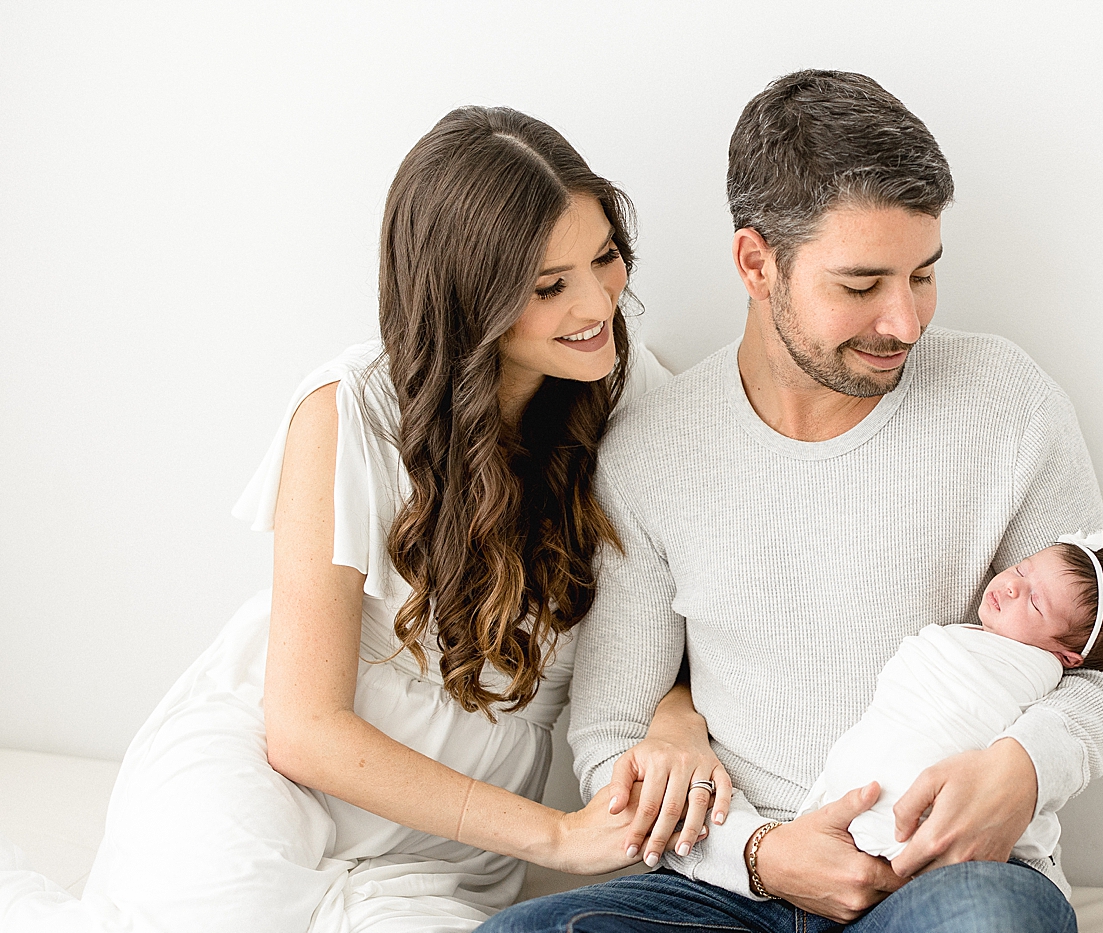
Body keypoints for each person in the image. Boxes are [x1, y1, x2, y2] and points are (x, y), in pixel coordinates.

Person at [0, 106, 731, 933]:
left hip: (446, 844)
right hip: (269, 774)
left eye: (605, 258)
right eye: (548, 286)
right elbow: (305, 729)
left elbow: (700, 607)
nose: (599, 302)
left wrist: (676, 713)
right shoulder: (350, 413)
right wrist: (557, 836)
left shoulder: (642, 411)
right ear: (470, 300)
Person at [482, 70, 1103, 933]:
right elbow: (613, 735)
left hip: (941, 872)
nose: (905, 321)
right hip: (724, 884)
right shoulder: (653, 453)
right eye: (861, 284)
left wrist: (1025, 767)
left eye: (923, 274)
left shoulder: (1008, 403)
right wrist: (762, 856)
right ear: (757, 262)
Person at [803, 532, 1103, 863]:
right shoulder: (976, 640)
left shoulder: (1031, 671)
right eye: (1021, 570)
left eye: (1036, 604)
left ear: (1066, 658)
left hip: (941, 826)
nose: (1013, 587)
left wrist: (1025, 765)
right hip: (798, 842)